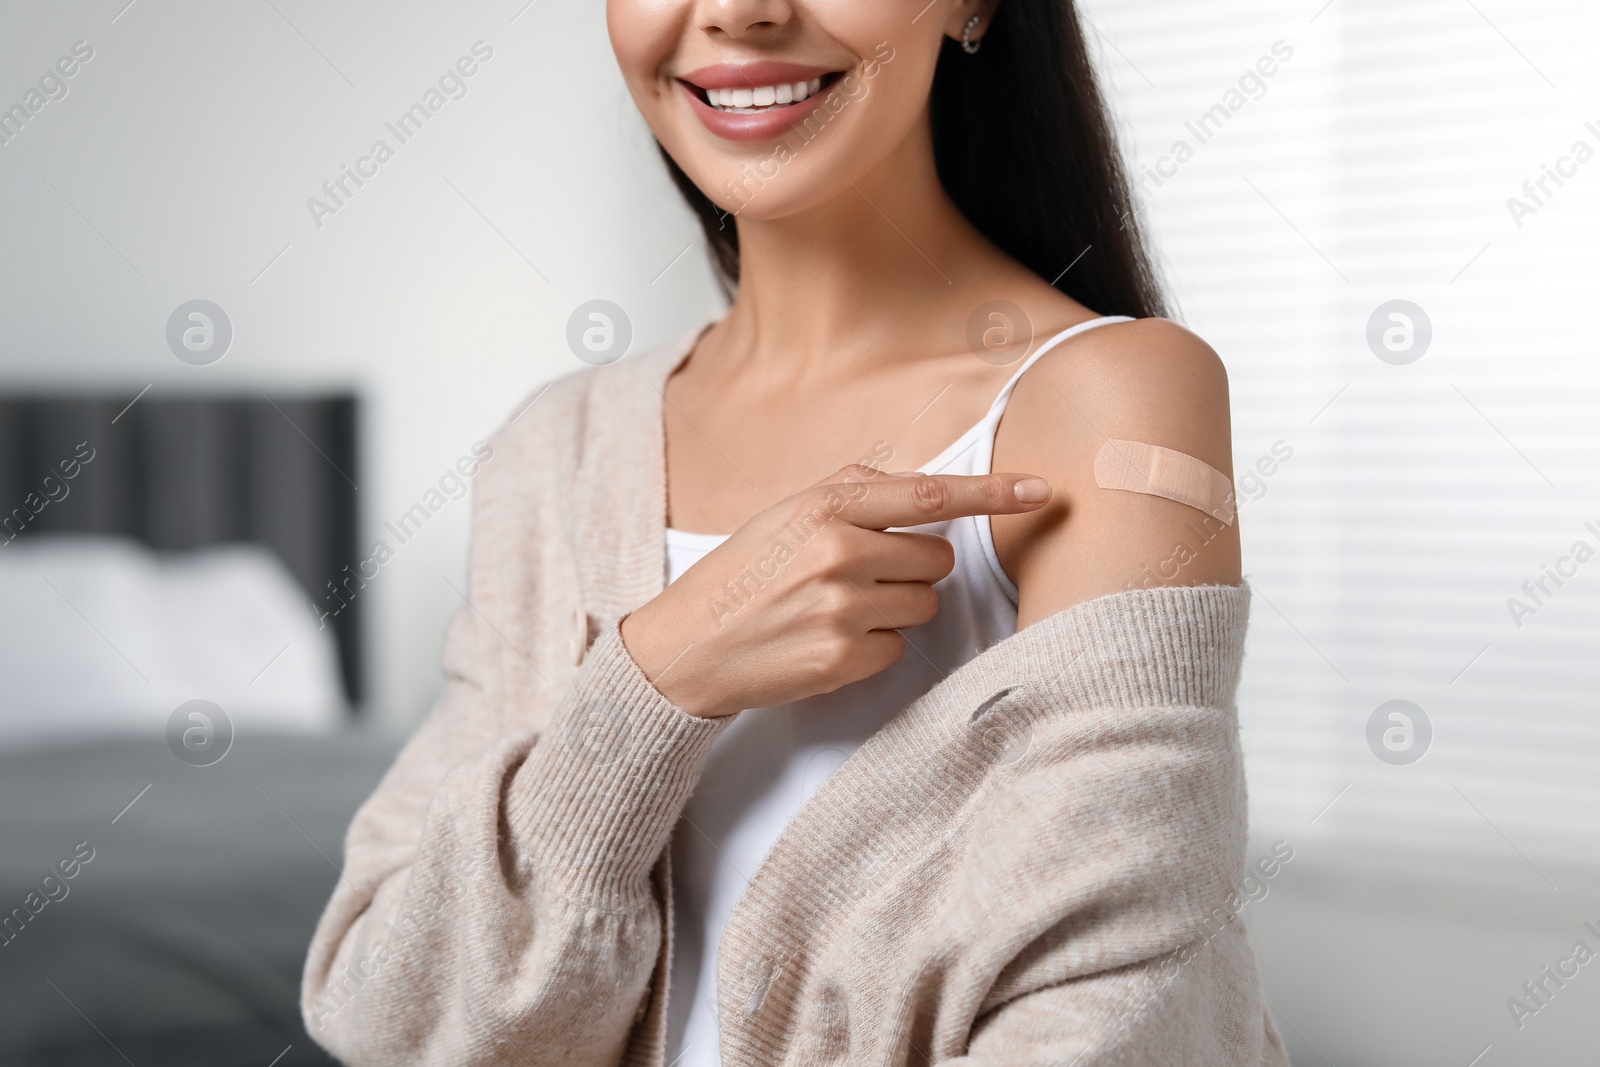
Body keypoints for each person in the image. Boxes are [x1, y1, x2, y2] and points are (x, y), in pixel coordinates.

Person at [303, 1, 1287, 1063]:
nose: (737, 11)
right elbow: (390, 1018)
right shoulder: (552, 451)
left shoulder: (1112, 399)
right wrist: (655, 677)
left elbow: (1113, 1011)